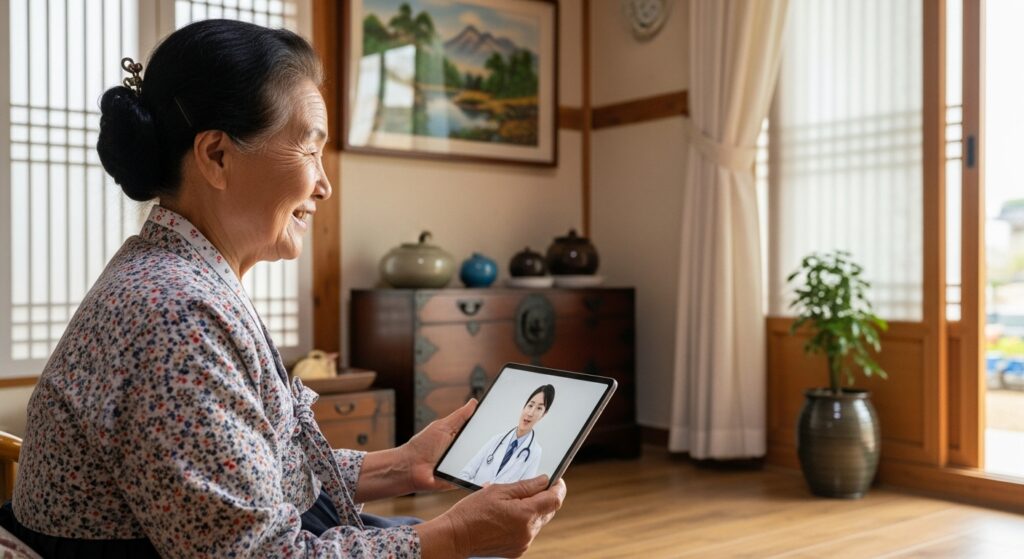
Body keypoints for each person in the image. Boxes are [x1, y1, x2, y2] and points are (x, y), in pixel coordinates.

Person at [0, 19, 564, 558]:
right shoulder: (176, 316)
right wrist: (458, 536)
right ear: (217, 156)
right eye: (310, 150)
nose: (324, 185)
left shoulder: (179, 276)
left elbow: (256, 472)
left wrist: (402, 465)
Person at [460, 385, 554, 485]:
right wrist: (478, 487)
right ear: (524, 407)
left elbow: (523, 491)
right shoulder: (496, 439)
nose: (530, 413)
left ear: (544, 414)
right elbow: (463, 475)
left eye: (539, 408)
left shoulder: (535, 451)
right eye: (530, 405)